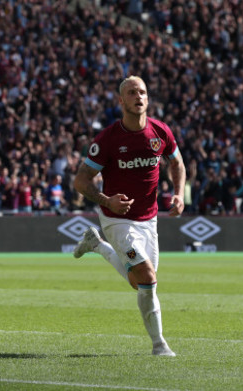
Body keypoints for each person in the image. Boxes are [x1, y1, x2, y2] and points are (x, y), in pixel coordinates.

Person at [72, 76, 186, 357]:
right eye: (132, 92)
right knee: (147, 277)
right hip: (117, 219)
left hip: (149, 218)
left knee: (140, 282)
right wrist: (105, 199)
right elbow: (81, 180)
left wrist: (179, 193)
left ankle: (96, 245)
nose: (139, 96)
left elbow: (178, 163)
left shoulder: (160, 133)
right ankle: (160, 345)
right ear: (121, 101)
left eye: (143, 92)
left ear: (148, 99)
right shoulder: (108, 139)